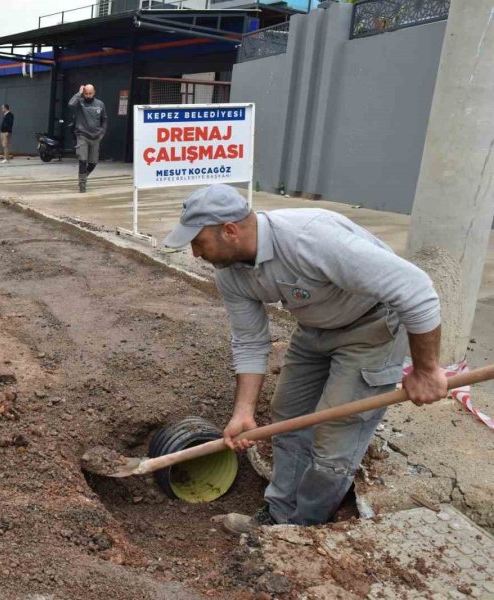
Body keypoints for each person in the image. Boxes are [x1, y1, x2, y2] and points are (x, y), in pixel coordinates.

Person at [163, 184, 447, 533]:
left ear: (230, 230)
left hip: (372, 329)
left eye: (198, 241)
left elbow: (417, 291)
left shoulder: (310, 239)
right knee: (288, 416)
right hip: (314, 329)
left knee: (334, 437)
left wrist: (426, 369)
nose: (194, 253)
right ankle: (280, 513)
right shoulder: (230, 273)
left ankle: (304, 527)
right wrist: (243, 412)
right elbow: (250, 340)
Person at [68, 84, 106, 193]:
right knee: (82, 160)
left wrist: (102, 132)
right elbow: (70, 104)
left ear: (94, 92)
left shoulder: (100, 104)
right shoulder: (80, 102)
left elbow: (104, 119)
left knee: (93, 163)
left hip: (95, 137)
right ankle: (82, 185)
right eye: (86, 93)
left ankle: (83, 176)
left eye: (90, 93)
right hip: (82, 135)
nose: (88, 96)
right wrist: (79, 92)